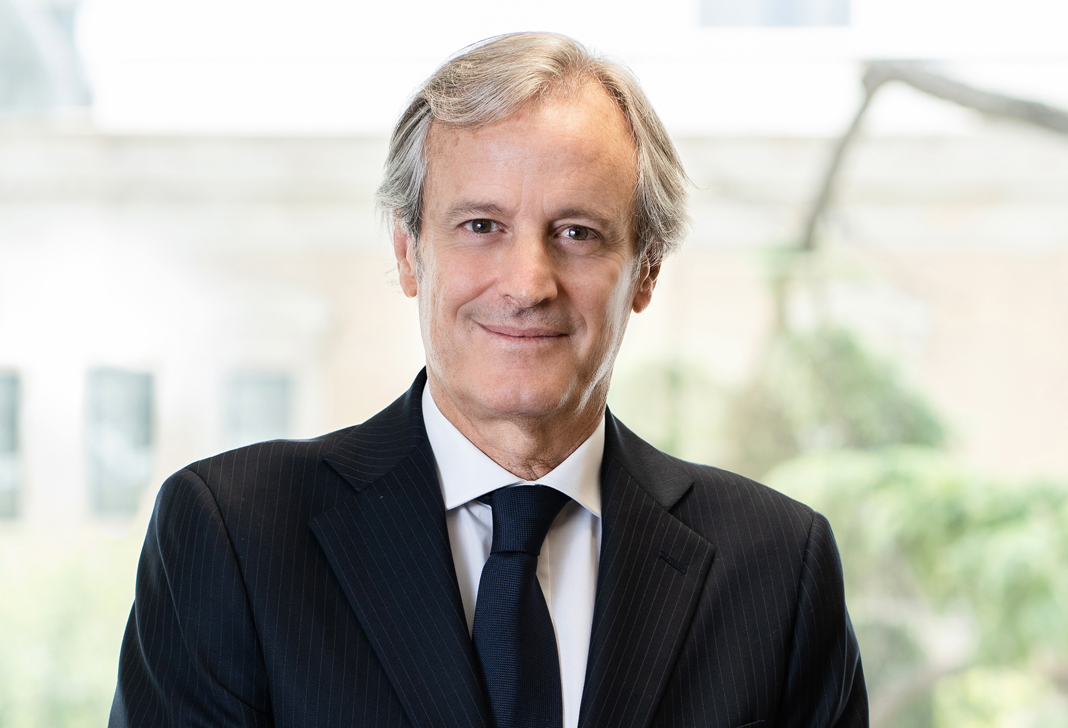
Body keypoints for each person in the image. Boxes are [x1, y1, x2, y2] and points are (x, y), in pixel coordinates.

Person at [110, 32, 866, 728]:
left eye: (577, 232)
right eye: (481, 227)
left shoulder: (779, 567)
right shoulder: (234, 536)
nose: (528, 283)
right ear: (409, 252)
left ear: (646, 270)